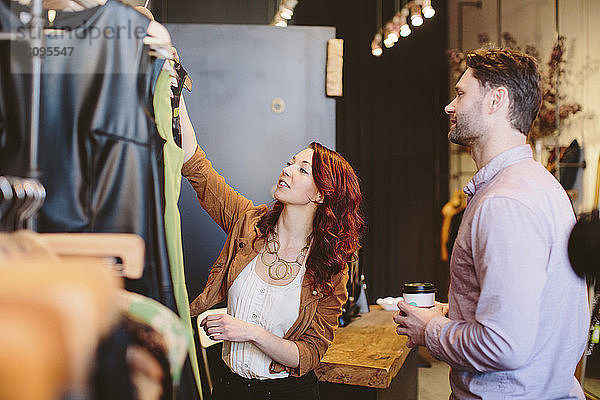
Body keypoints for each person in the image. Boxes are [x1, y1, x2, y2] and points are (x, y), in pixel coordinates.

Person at [394, 48, 589, 399]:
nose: (449, 107)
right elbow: (530, 313)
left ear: (496, 100)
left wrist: (431, 330)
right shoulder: (542, 186)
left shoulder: (504, 202)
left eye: (461, 93)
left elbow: (504, 344)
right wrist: (453, 312)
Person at [178, 97, 363, 399]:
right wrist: (176, 85)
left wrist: (250, 332)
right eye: (291, 162)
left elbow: (310, 354)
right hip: (228, 389)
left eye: (303, 170)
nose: (287, 170)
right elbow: (196, 168)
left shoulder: (330, 268)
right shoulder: (247, 222)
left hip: (288, 393)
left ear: (321, 195)